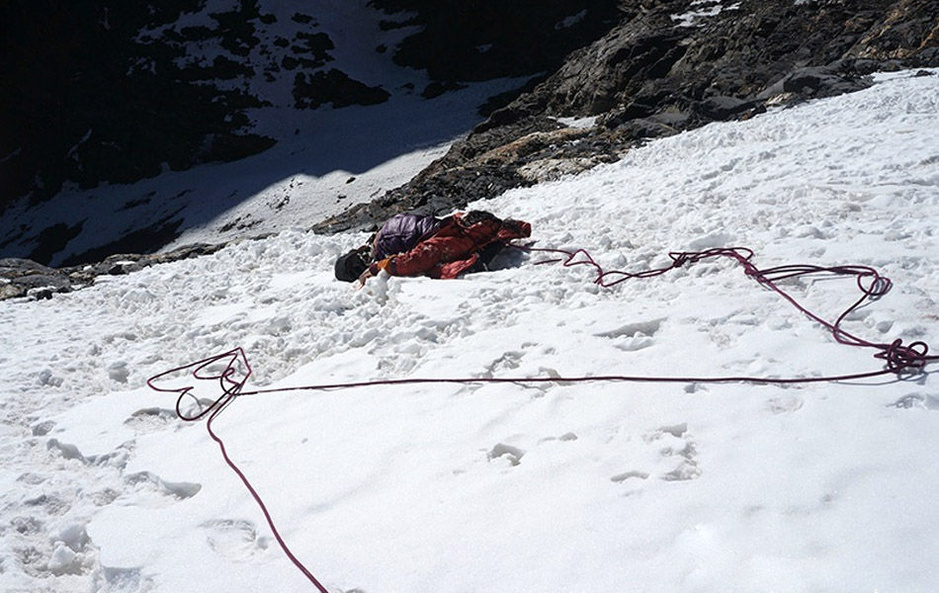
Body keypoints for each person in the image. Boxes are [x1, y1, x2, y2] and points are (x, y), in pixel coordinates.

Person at [334, 210, 531, 284]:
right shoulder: (455, 231)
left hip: (397, 236)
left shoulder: (454, 238)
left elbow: (419, 259)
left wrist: (381, 266)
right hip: (396, 232)